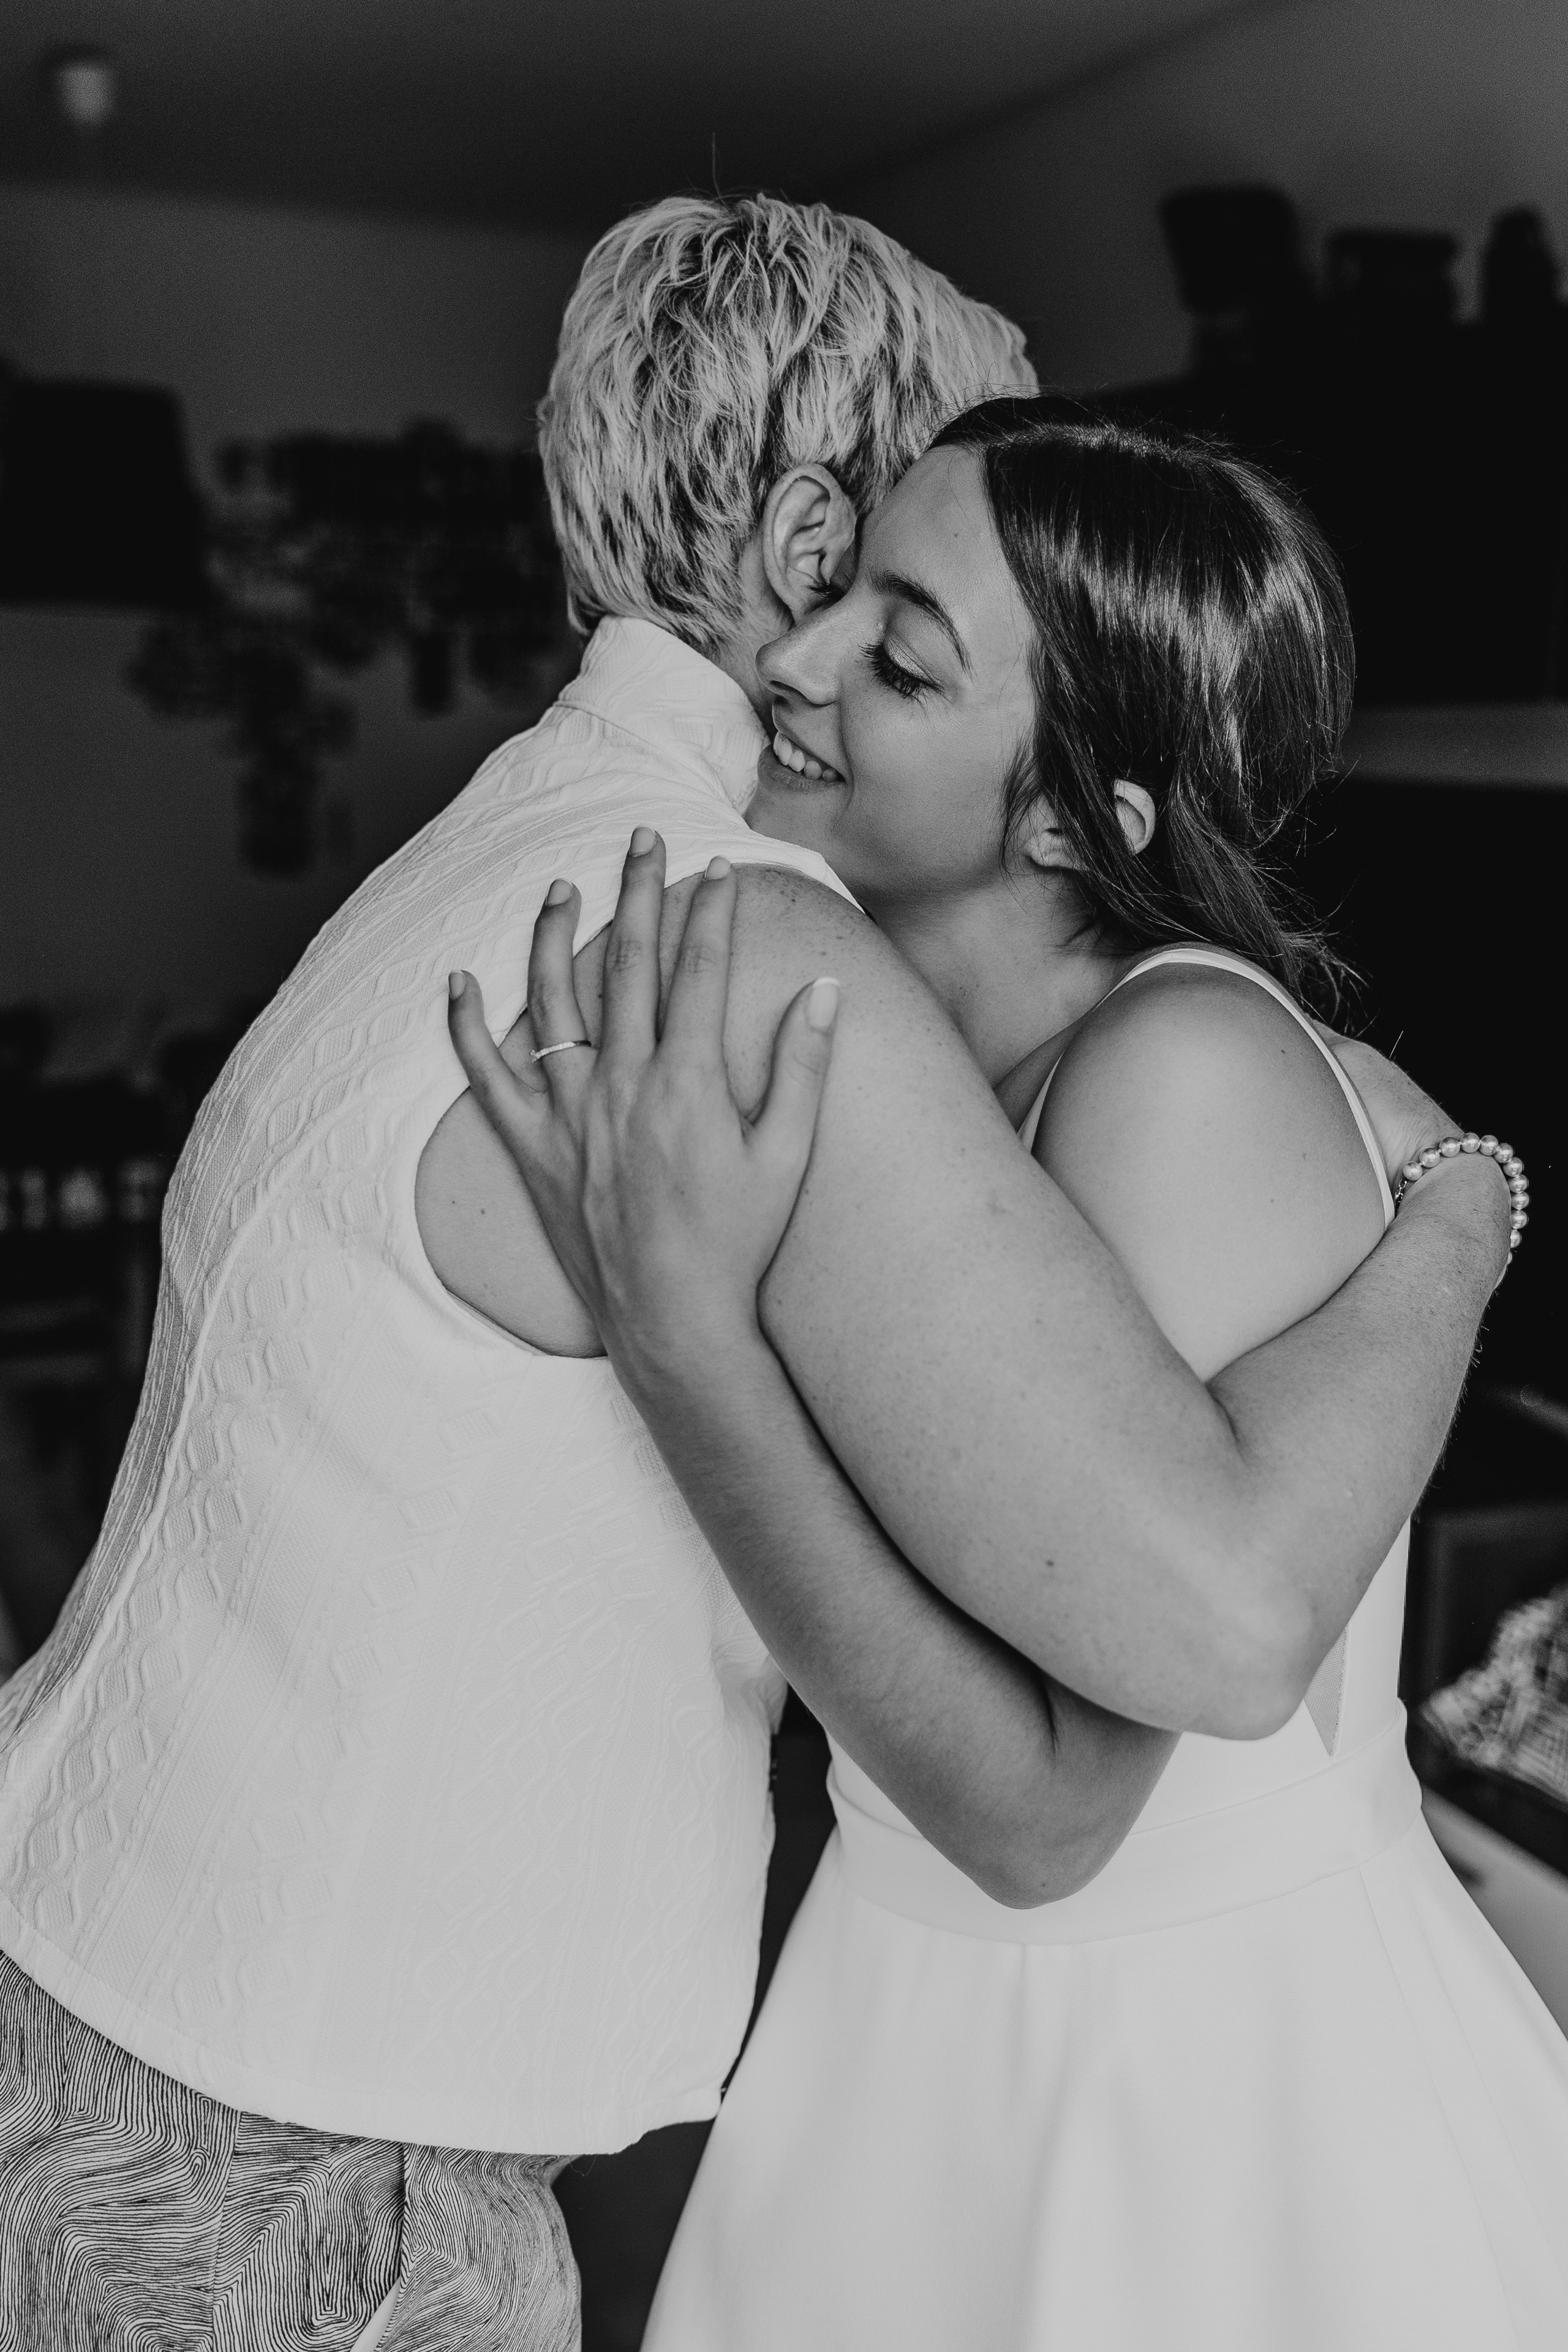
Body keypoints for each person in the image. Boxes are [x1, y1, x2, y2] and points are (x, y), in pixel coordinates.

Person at [0, 197, 1501, 2340]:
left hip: (105, 2000)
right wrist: (1469, 1210)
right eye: (907, 569)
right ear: (816, 540)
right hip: (295, 2168)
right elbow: (1208, 1614)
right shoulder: (735, 949)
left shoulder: (501, 847)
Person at [446, 401, 1568, 2351]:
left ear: (1075, 813)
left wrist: (682, 1336)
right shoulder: (917, 1084)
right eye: (839, 594)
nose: (788, 661)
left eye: (900, 652)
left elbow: (1051, 1800)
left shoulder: (1177, 1072)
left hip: (1180, 2090)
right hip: (912, 2003)